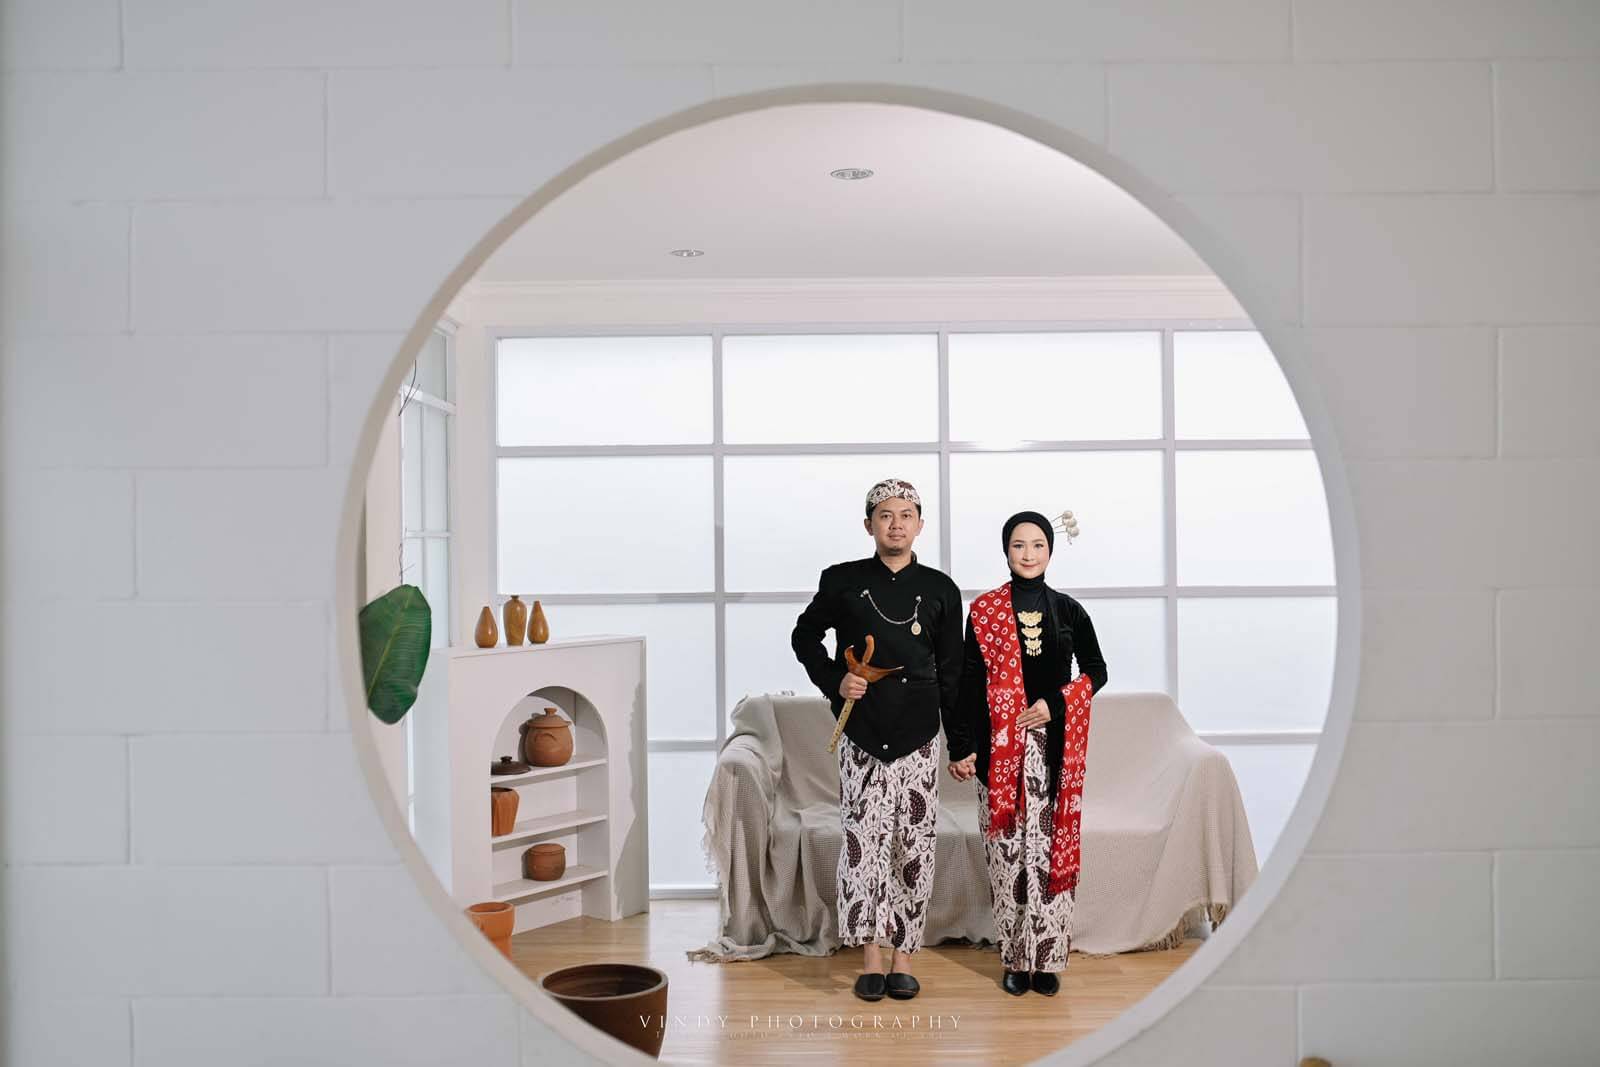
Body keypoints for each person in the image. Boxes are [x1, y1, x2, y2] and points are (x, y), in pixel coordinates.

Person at [791, 477, 964, 1003]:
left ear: (920, 525)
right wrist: (834, 680)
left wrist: (961, 744)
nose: (896, 524)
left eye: (906, 515)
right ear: (869, 525)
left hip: (919, 733)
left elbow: (953, 673)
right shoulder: (842, 580)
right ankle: (869, 956)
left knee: (915, 847)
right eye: (885, 515)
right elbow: (804, 635)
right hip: (862, 732)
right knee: (862, 845)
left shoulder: (941, 589)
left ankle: (903, 957)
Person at [946, 510, 1108, 997]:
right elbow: (968, 683)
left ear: (1050, 551)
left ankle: (1048, 959)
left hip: (1053, 751)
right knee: (1007, 858)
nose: (1028, 554)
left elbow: (1096, 671)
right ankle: (1015, 959)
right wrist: (963, 747)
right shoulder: (984, 611)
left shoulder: (1069, 611)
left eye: (1038, 545)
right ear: (1006, 551)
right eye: (1019, 545)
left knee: (1048, 855)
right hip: (1000, 753)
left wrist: (1054, 704)